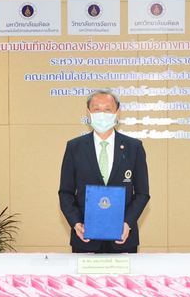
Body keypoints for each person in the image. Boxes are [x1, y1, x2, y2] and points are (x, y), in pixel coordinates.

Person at [59, 89, 149, 253]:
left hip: (123, 239)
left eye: (107, 109)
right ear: (88, 113)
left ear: (117, 112)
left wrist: (127, 223)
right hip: (85, 239)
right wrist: (76, 223)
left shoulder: (134, 147)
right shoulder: (74, 147)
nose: (102, 114)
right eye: (96, 109)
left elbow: (142, 193)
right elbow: (66, 192)